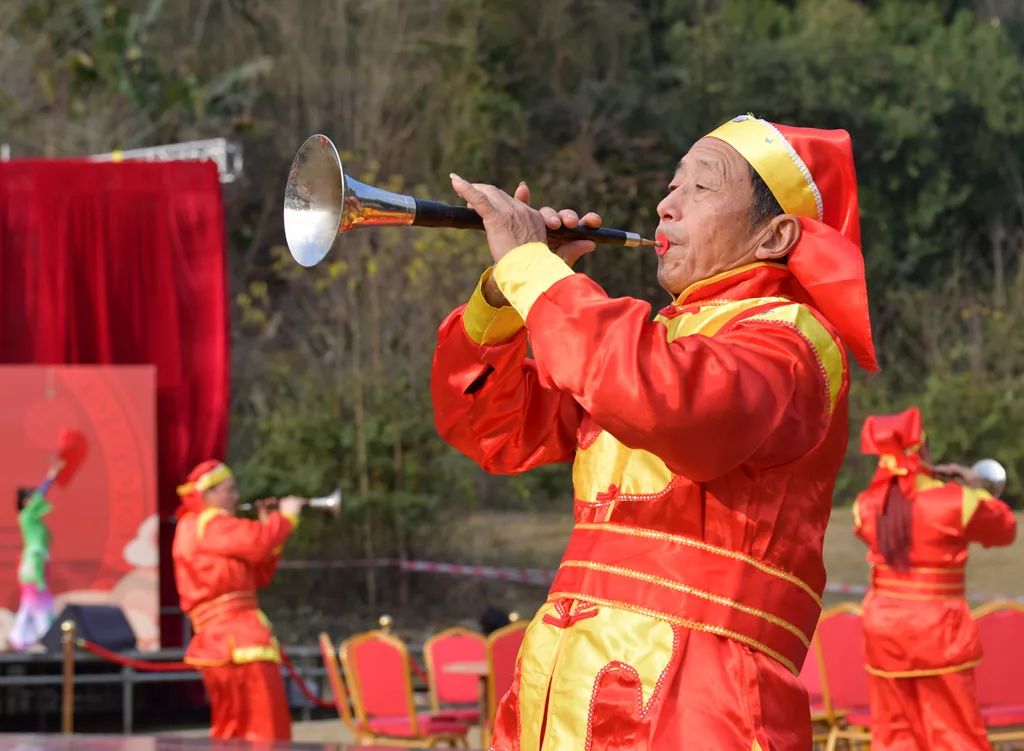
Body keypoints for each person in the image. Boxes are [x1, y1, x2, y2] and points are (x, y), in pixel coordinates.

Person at [432, 115, 878, 749]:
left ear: (776, 234)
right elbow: (486, 427)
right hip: (563, 689)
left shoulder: (794, 341)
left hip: (696, 702)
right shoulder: (654, 343)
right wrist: (506, 295)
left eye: (700, 188)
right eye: (671, 186)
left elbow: (672, 400)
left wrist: (537, 271)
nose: (666, 203)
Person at [854, 407, 1016, 750]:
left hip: (885, 631)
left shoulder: (865, 506)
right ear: (924, 452)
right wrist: (975, 487)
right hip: (941, 632)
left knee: (894, 733)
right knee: (955, 733)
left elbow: (876, 523)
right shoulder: (956, 503)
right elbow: (1005, 528)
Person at [171, 459, 303, 742]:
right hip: (238, 639)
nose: (236, 496)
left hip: (221, 641)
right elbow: (257, 543)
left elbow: (257, 574)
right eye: (229, 490)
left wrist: (269, 526)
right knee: (264, 727)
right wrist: (286, 517)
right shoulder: (211, 523)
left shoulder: (194, 527)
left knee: (232, 730)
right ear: (209, 494)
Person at [8, 457, 64, 651]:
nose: (38, 500)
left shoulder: (37, 523)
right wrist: (51, 477)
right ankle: (48, 636)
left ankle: (18, 638)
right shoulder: (26, 517)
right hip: (33, 564)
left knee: (31, 603)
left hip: (39, 562)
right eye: (32, 498)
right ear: (26, 502)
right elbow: (40, 496)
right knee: (40, 601)